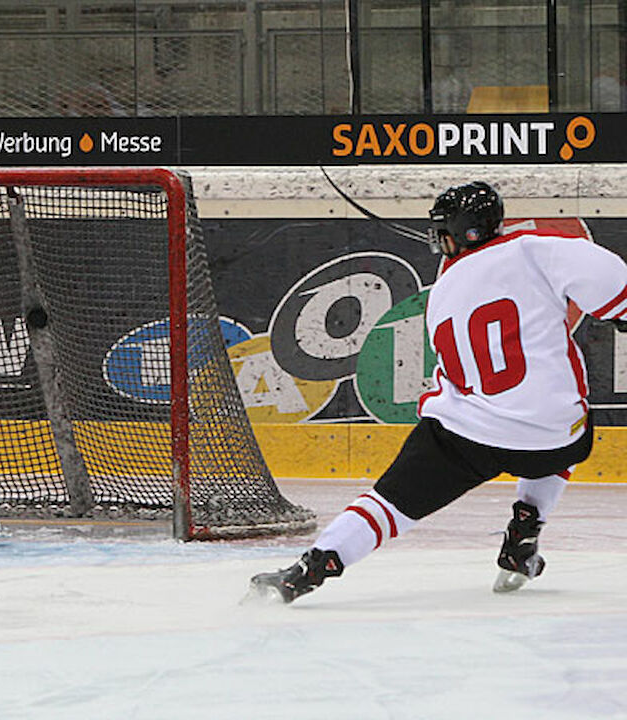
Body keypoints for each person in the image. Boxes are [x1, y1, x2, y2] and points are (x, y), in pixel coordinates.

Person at [248, 181, 627, 603]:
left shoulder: (444, 290)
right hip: (556, 438)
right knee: (558, 420)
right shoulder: (539, 248)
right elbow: (615, 287)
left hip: (468, 434)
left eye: (442, 228)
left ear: (465, 232)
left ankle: (308, 570)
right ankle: (525, 530)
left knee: (389, 503)